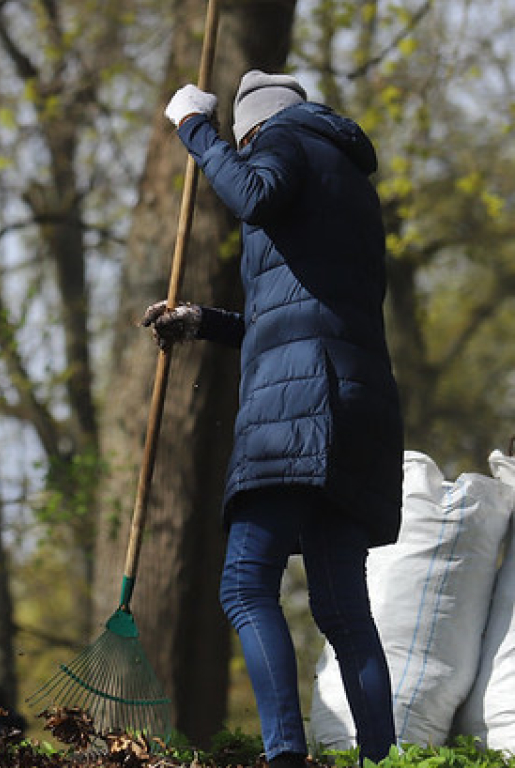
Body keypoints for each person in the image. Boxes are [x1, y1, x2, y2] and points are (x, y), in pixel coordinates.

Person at [148, 71, 403, 767]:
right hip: (358, 404)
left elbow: (250, 194)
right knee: (344, 611)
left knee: (244, 582)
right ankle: (384, 760)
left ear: (250, 130)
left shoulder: (283, 144)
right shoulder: (351, 183)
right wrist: (202, 321)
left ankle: (285, 753)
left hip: (299, 405)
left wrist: (194, 127)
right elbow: (292, 315)